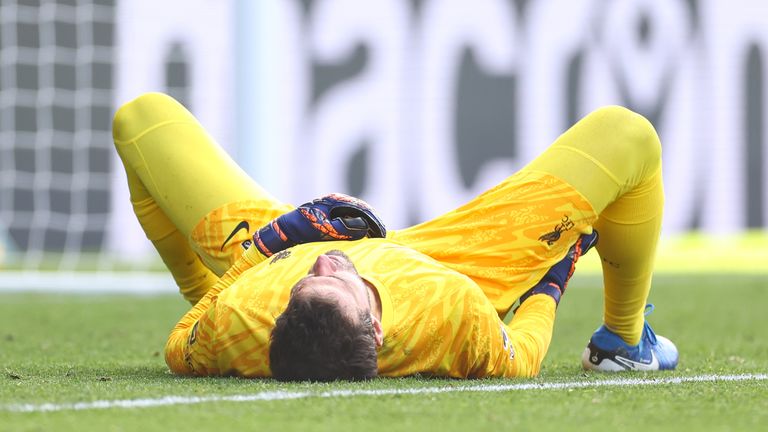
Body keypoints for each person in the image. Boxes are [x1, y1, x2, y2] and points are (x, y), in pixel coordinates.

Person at [112, 92, 678, 381]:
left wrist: (274, 244)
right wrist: (547, 287)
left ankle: (210, 278)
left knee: (139, 119)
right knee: (630, 136)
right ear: (375, 325)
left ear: (278, 318)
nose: (327, 266)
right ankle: (623, 343)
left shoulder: (241, 320)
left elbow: (182, 337)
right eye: (340, 284)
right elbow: (521, 360)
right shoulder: (451, 310)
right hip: (458, 256)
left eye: (309, 282)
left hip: (265, 253)